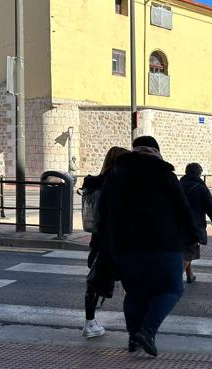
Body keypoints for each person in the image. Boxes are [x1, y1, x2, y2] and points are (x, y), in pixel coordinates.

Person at [99, 136, 198, 357]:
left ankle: (134, 337)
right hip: (163, 244)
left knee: (135, 293)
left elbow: (103, 212)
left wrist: (105, 243)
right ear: (156, 151)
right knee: (172, 289)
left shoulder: (116, 175)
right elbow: (183, 210)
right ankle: (147, 331)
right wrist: (194, 235)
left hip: (125, 247)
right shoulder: (166, 175)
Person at [81, 146, 129, 338]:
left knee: (93, 283)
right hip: (121, 242)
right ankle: (137, 327)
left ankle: (89, 323)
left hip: (99, 241)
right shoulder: (121, 182)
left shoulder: (95, 182)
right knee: (131, 285)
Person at [180, 163, 212, 283]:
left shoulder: (178, 185)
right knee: (189, 251)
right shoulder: (201, 188)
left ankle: (190, 275)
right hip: (193, 225)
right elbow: (210, 206)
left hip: (177, 223)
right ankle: (175, 278)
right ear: (199, 173)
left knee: (186, 249)